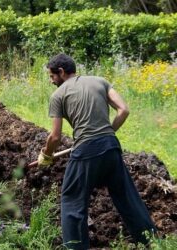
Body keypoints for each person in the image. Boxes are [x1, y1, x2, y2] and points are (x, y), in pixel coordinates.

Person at [37, 53, 156, 249]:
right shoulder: (100, 81)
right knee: (126, 196)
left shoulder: (58, 96)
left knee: (72, 201)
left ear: (61, 72)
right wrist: (108, 132)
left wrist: (46, 155)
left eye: (52, 76)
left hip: (86, 150)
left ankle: (75, 246)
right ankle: (151, 240)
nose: (51, 81)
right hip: (111, 145)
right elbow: (124, 110)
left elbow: (55, 137)